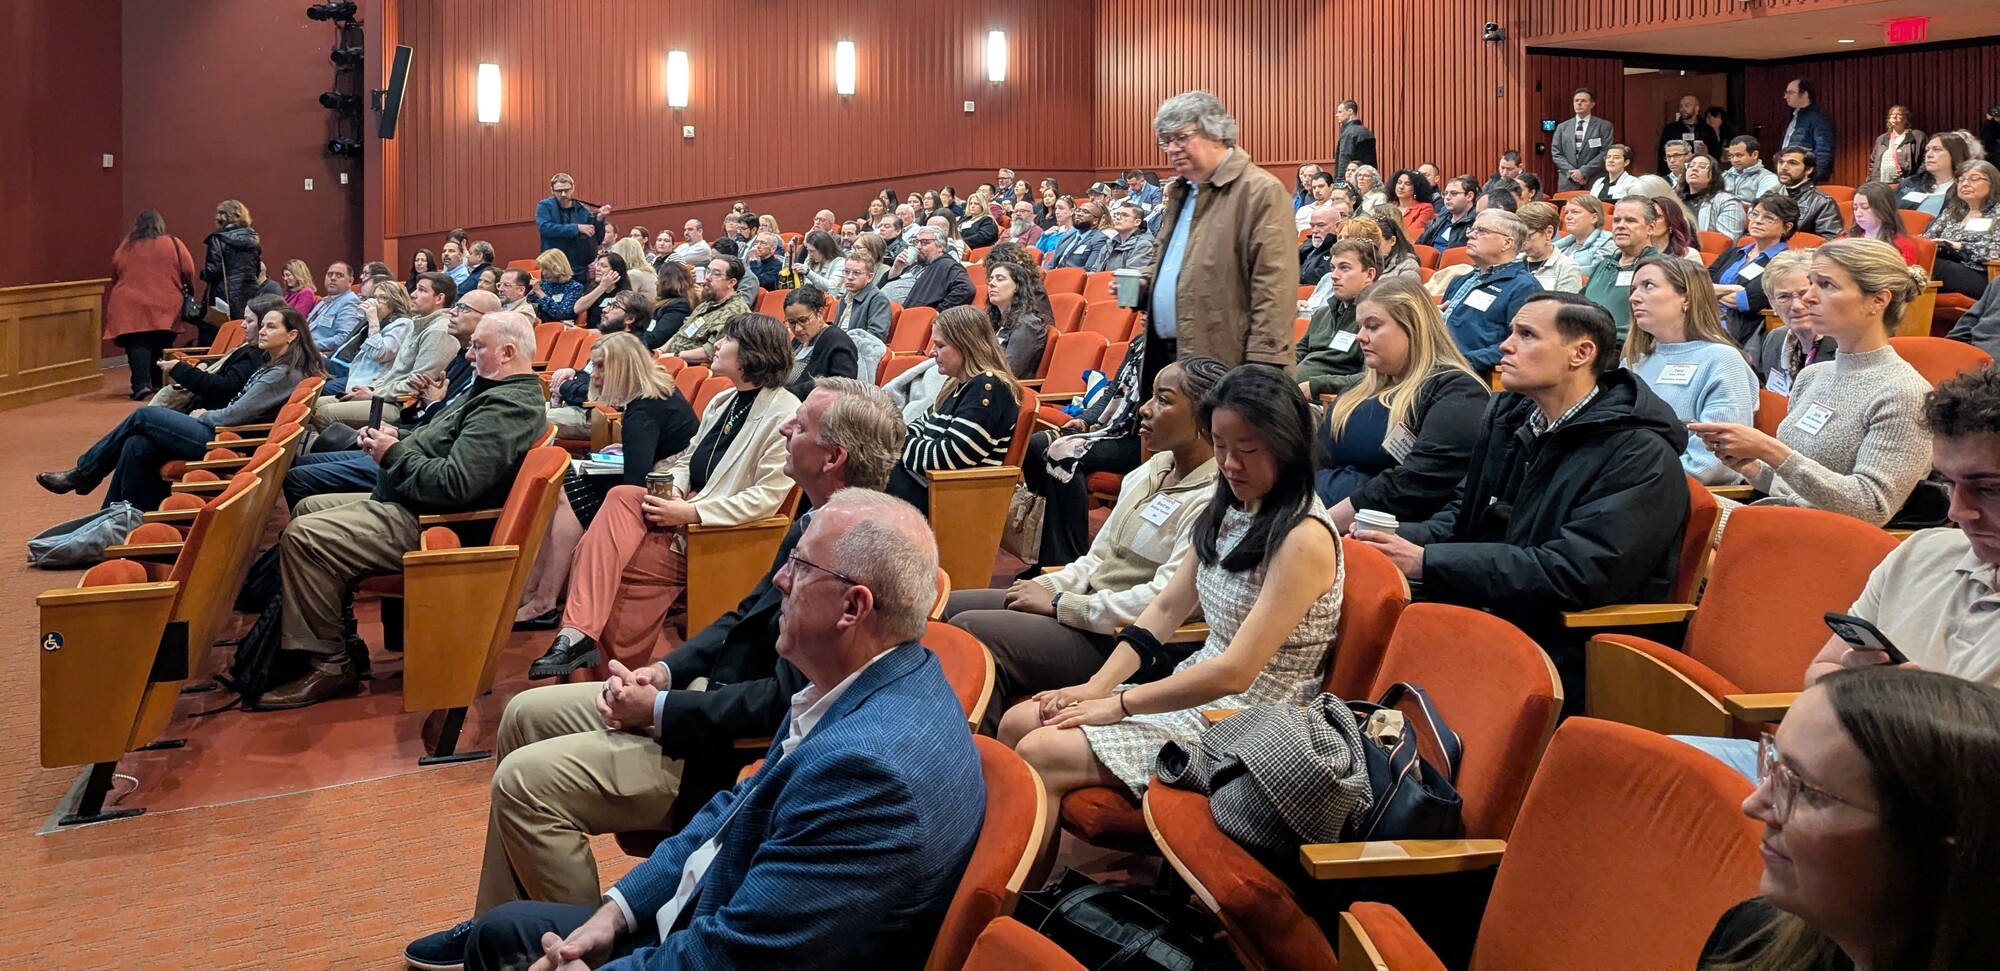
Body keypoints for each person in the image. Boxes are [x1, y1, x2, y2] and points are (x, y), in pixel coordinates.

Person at [408, 377, 913, 969]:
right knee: (522, 713)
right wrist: (662, 675)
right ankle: (504, 919)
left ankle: (579, 946)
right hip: (701, 697)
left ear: (834, 457)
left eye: (799, 426)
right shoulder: (815, 521)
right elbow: (739, 620)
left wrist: (660, 712)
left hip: (725, 748)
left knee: (525, 782)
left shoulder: (856, 550)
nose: (784, 428)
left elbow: (784, 707)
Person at [461, 487, 982, 971]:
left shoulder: (867, 775)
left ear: (854, 606)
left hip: (711, 939)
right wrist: (615, 912)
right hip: (708, 911)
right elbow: (734, 810)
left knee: (506, 938)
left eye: (800, 568)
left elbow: (732, 956)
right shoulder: (862, 683)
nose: (781, 579)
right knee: (501, 932)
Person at [1000, 364, 1344, 829]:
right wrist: (1096, 687)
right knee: (1020, 722)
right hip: (1199, 692)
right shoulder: (1229, 504)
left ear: (1288, 449)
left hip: (1255, 723)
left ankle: (1018, 890)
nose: (1229, 464)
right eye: (1220, 447)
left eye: (1247, 450)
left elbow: (1236, 672)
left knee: (1042, 747)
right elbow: (1164, 608)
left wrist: (1118, 705)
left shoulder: (1303, 536)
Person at [1355, 293, 1689, 708]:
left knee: (1376, 647)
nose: (1505, 345)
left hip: (1568, 642)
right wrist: (1388, 540)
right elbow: (1465, 514)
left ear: (1581, 353)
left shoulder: (1640, 453)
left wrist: (1428, 561)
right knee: (1354, 603)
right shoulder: (1513, 417)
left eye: (1526, 335)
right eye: (1511, 331)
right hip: (1493, 603)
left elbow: (1575, 573)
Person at [258, 311, 545, 708]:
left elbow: (456, 483)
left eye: (478, 347)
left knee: (305, 537)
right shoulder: (492, 391)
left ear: (508, 352)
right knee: (308, 506)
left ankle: (329, 663)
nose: (468, 356)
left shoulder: (507, 408)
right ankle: (343, 639)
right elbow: (441, 441)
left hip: (434, 522)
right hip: (412, 501)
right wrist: (399, 436)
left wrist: (393, 454)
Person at [951, 358, 1227, 738]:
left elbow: (1164, 601)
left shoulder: (1213, 497)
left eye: (1164, 400)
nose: (1144, 409)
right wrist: (1051, 587)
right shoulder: (1151, 469)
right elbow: (1098, 558)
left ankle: (973, 756)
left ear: (1204, 417)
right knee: (948, 605)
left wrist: (1060, 606)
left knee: (972, 630)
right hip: (1088, 609)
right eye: (1150, 397)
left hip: (1125, 640)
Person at [528, 313, 801, 680]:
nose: (715, 345)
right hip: (684, 510)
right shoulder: (724, 401)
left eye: (726, 339)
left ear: (753, 353)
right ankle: (582, 641)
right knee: (624, 496)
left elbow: (765, 499)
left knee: (598, 554)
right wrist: (672, 489)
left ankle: (592, 655)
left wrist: (689, 512)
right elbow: (689, 459)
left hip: (716, 537)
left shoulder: (784, 412)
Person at [1697, 669, 2000, 971]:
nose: (1754, 805)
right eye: (1775, 766)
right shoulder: (1747, 939)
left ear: (1935, 854)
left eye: (1806, 791)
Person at [1690, 238, 1933, 527]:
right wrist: (1754, 466)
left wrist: (1771, 451)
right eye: (1812, 283)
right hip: (1784, 521)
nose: (1807, 298)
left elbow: (1872, 508)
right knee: (1661, 496)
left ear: (1878, 301)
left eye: (1826, 285)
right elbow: (1797, 488)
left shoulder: (1906, 393)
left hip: (1826, 545)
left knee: (1662, 504)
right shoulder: (1812, 376)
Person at [40, 304, 321, 511]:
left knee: (144, 415)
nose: (262, 330)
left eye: (271, 326)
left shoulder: (282, 374)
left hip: (228, 441)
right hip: (225, 433)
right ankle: (114, 516)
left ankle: (84, 473)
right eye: (263, 324)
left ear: (292, 335)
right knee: (137, 445)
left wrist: (205, 415)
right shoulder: (276, 366)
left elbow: (237, 413)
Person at [516, 333, 700, 630]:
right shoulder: (652, 392)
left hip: (666, 494)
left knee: (568, 490)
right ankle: (534, 591)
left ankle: (544, 600)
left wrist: (628, 453)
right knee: (564, 484)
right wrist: (627, 450)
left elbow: (634, 485)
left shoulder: (643, 409)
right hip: (661, 477)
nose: (594, 376)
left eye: (600, 367)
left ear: (623, 368)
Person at [1137, 90, 1298, 385]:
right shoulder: (1180, 192)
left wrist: (1263, 365)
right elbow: (1172, 260)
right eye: (1166, 141)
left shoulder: (1260, 192)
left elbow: (1275, 285)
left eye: (1182, 137)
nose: (1172, 148)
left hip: (1227, 361)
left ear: (1217, 133)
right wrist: (1146, 283)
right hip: (1170, 356)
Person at [1314, 276, 1488, 528]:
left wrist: (1323, 525)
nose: (1360, 337)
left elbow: (1418, 481)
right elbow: (1316, 461)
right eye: (1360, 326)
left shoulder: (1457, 391)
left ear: (1413, 327)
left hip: (1373, 535)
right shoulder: (1356, 391)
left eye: (1373, 326)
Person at [1626, 255, 1760, 485]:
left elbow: (1714, 466)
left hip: (1676, 494)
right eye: (1633, 288)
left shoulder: (1722, 359)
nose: (1634, 298)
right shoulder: (1636, 360)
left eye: (1648, 286)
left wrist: (1632, 481)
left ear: (1686, 298)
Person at [885, 306, 1021, 515]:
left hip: (947, 497)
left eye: (940, 345)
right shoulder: (956, 384)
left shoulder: (989, 388)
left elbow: (950, 457)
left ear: (966, 346)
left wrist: (896, 445)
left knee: (857, 466)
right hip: (923, 482)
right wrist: (899, 442)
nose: (931, 352)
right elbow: (918, 427)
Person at [315, 272, 460, 429]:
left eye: (422, 290)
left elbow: (416, 385)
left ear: (439, 299)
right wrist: (371, 389)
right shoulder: (420, 324)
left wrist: (373, 394)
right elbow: (394, 373)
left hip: (400, 404)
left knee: (325, 412)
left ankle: (358, 450)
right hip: (384, 394)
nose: (413, 294)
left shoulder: (437, 331)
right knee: (313, 404)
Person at [105, 208, 196, 400]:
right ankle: (157, 383)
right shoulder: (173, 243)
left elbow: (115, 272)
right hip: (165, 302)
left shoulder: (126, 247)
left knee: (137, 344)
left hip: (129, 304)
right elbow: (188, 270)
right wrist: (190, 290)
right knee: (161, 342)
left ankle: (141, 385)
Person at [1439, 209, 1544, 372]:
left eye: (1481, 231)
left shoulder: (1524, 287)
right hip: (1436, 365)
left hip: (1471, 375)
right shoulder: (1459, 280)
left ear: (1507, 243)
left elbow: (1520, 343)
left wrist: (1462, 362)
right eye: (1472, 230)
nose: (1471, 235)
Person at [153, 294, 281, 413]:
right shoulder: (250, 347)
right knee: (142, 424)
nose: (243, 325)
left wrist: (179, 368)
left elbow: (220, 388)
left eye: (249, 321)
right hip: (203, 410)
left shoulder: (256, 355)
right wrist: (205, 363)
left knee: (144, 416)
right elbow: (224, 362)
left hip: (208, 416)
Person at [1710, 192, 1802, 356]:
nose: (1757, 221)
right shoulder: (1735, 253)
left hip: (1741, 331)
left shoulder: (1783, 262)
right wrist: (1733, 288)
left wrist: (1709, 292)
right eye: (1754, 214)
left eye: (1768, 217)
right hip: (1710, 319)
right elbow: (1698, 283)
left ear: (1786, 227)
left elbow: (1745, 301)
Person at [1296, 239, 1382, 397]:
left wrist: (1316, 385)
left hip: (1327, 403)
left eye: (1344, 268)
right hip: (1292, 395)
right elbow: (1298, 353)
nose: (1333, 276)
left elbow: (1370, 379)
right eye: (1332, 268)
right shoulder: (1322, 314)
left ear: (1369, 275)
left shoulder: (1375, 323)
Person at [1581, 195, 1665, 340]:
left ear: (1650, 228)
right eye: (1616, 220)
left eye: (1630, 220)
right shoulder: (1604, 264)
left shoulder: (1662, 267)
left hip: (1627, 349)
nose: (1621, 225)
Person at [1753, 250, 1835, 391]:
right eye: (1784, 297)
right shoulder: (1774, 340)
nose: (1796, 305)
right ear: (1772, 303)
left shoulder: (1845, 345)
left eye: (1805, 293)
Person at [1923, 159, 2000, 298]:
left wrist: (1959, 246)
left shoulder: (1997, 213)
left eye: (1974, 179)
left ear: (1992, 183)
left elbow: (1996, 250)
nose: (1965, 184)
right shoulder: (1953, 212)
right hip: (1947, 265)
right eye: (1960, 180)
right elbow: (1927, 240)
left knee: (1929, 266)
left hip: (1981, 275)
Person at [328, 280, 416, 397]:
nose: (377, 302)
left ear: (395, 301)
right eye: (375, 297)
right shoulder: (379, 320)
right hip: (356, 371)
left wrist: (373, 319)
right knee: (308, 360)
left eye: (383, 298)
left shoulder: (403, 323)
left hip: (372, 381)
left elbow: (380, 354)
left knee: (324, 388)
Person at [662, 255, 751, 366]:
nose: (708, 277)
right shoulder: (707, 304)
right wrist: (661, 350)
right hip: (670, 359)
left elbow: (710, 351)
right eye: (708, 271)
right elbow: (681, 333)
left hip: (689, 367)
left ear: (731, 282)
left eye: (716, 274)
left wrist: (674, 356)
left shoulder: (735, 313)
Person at [198, 199, 261, 343]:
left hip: (223, 296)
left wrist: (202, 274)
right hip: (249, 294)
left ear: (223, 216)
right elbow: (256, 269)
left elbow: (214, 271)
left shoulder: (218, 239)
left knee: (218, 337)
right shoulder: (253, 239)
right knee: (244, 335)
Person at [782, 284, 858, 400]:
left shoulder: (838, 342)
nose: (797, 329)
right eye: (791, 322)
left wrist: (787, 394)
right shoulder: (799, 340)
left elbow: (841, 389)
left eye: (803, 320)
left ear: (820, 312)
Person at [985, 261, 1051, 380]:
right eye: (991, 279)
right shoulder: (996, 321)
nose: (991, 284)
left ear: (1017, 286)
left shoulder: (1027, 324)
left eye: (1000, 279)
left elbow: (1009, 371)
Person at [537, 172, 608, 280]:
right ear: (552, 190)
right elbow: (545, 228)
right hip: (554, 266)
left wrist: (599, 219)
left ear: (573, 188)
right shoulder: (544, 206)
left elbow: (597, 239)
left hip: (579, 268)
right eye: (559, 191)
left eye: (567, 190)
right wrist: (576, 228)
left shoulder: (582, 209)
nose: (564, 194)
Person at [1840, 181, 1921, 265]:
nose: (1858, 214)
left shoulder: (1903, 247)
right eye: (1855, 208)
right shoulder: (1846, 240)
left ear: (1884, 209)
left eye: (1865, 207)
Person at [1553, 87, 1615, 191]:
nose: (1579, 103)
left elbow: (1605, 152)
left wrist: (1583, 171)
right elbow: (1556, 153)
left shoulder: (1604, 126)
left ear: (1592, 105)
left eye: (1583, 101)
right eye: (1576, 101)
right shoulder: (1562, 127)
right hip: (1568, 180)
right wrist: (1573, 173)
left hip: (1594, 178)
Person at [1775, 148, 1845, 237]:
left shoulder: (1822, 202)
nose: (1783, 168)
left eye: (1792, 163)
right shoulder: (1769, 196)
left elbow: (1830, 241)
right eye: (1781, 162)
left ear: (1808, 169)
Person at [1897, 133, 1970, 216]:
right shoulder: (1910, 183)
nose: (1929, 155)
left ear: (1955, 154)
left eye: (1937, 149)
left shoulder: (1968, 187)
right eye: (1927, 150)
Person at [1517, 201, 1583, 293]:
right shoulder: (1512, 263)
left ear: (1548, 232)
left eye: (1528, 236)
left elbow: (1566, 306)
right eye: (1520, 236)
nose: (1523, 242)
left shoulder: (1567, 268)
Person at [1779, 77, 1836, 183]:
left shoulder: (1819, 118)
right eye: (1786, 93)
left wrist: (1814, 179)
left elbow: (1823, 152)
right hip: (1790, 174)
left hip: (1806, 178)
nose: (1786, 96)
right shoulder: (1793, 115)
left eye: (1790, 93)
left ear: (1805, 94)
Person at [305, 261, 365, 353]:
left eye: (339, 275)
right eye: (330, 274)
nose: (333, 278)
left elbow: (343, 338)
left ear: (350, 281)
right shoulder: (324, 301)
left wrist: (307, 346)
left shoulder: (350, 302)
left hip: (319, 354)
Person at [1681, 155, 1746, 239]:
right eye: (1690, 166)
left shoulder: (1727, 201)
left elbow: (1726, 241)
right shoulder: (1675, 198)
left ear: (1714, 175)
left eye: (1702, 166)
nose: (1694, 169)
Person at [634, 262, 693, 352]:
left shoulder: (679, 306)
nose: (656, 283)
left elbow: (655, 339)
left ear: (666, 282)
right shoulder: (662, 302)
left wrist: (628, 339)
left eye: (658, 279)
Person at [1554, 193, 1619, 273]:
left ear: (1594, 218)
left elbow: (1597, 277)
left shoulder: (1608, 243)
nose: (1568, 217)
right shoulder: (1560, 247)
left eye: (1575, 212)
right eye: (1566, 213)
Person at [1869, 104, 1926, 186]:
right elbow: (1873, 162)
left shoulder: (1917, 136)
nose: (1895, 117)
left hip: (1906, 184)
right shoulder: (1882, 139)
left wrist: (1916, 179)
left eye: (1899, 115)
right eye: (1892, 115)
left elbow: (1925, 159)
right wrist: (1871, 181)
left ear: (1906, 119)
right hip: (1881, 184)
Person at [1660, 94, 1723, 169]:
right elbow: (1662, 153)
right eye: (1681, 106)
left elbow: (1717, 153)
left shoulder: (1707, 129)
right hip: (1679, 170)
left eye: (1686, 106)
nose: (1683, 109)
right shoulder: (1671, 129)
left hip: (1701, 170)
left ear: (1696, 108)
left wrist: (1707, 152)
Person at [1415, 176, 1479, 250]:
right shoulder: (1441, 218)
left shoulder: (1476, 223)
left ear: (1469, 196)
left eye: (1454, 193)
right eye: (1445, 193)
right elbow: (1420, 243)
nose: (1447, 197)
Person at [1090, 202, 1155, 273]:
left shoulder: (1143, 246)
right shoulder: (1110, 243)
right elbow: (1094, 270)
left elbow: (1130, 278)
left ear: (1137, 222)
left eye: (1124, 215)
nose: (1117, 218)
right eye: (1117, 214)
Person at [528, 250, 585, 324]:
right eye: (542, 269)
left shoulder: (575, 287)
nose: (544, 273)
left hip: (561, 328)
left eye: (547, 269)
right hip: (539, 325)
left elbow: (561, 314)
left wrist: (539, 293)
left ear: (558, 267)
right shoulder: (542, 284)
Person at [1723, 135, 1782, 203]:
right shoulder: (1725, 175)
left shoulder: (1768, 178)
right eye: (1731, 156)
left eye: (1739, 155)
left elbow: (1762, 207)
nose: (1734, 160)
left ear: (1755, 155)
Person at [1387, 169, 1438, 239]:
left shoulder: (1425, 208)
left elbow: (1412, 234)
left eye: (1407, 184)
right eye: (1399, 182)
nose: (1401, 187)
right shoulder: (1389, 206)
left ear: (1416, 188)